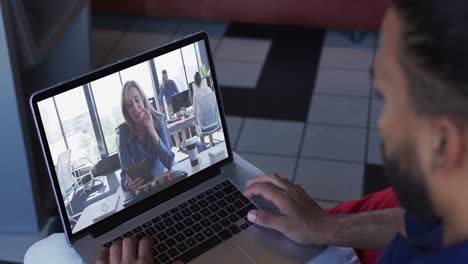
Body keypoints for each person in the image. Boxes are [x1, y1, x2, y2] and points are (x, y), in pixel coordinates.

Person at [98, 0, 468, 262]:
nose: (381, 122)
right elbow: (424, 226)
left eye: (386, 99)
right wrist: (327, 227)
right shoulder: (452, 211)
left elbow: (166, 158)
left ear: (444, 143)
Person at [118, 80, 175, 192]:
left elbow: (169, 163)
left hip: (164, 180)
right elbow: (124, 175)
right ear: (127, 111)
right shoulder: (124, 132)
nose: (135, 107)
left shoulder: (159, 119)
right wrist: (128, 184)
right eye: (129, 105)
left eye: (137, 100)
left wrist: (153, 132)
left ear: (143, 100)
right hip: (144, 188)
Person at [192, 72, 218, 148]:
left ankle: (203, 145)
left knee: (200, 120)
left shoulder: (195, 95)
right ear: (202, 80)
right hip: (214, 122)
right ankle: (212, 141)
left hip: (204, 127)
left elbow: (195, 113)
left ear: (195, 83)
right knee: (207, 116)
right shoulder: (209, 89)